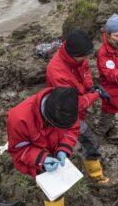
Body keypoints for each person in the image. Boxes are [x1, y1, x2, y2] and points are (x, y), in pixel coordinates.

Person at [7, 87, 80, 206]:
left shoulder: (69, 107)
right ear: (47, 117)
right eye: (54, 125)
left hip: (56, 149)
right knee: (53, 193)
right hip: (37, 156)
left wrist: (63, 149)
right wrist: (42, 159)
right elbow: (18, 150)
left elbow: (73, 129)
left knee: (57, 189)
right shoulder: (18, 118)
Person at [46, 30, 110, 185]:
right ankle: (94, 176)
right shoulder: (57, 72)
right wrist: (96, 95)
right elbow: (75, 104)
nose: (88, 59)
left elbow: (85, 69)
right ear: (73, 55)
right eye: (85, 56)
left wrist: (90, 87)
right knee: (89, 141)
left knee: (78, 141)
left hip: (77, 108)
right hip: (65, 114)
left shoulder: (78, 57)